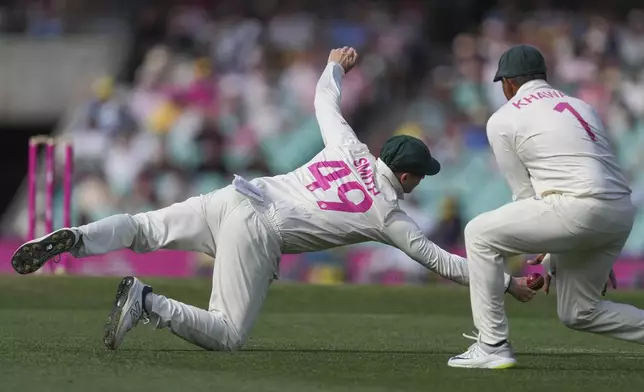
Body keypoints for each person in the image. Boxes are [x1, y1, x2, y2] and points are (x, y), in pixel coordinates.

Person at [12, 47, 535, 352]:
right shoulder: (388, 214)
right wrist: (508, 283)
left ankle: (78, 238)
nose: (420, 183)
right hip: (260, 230)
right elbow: (443, 262)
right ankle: (147, 302)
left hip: (237, 193)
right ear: (405, 174)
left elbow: (324, 98)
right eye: (419, 176)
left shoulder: (348, 144)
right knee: (228, 334)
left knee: (142, 227)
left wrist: (336, 65)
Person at [448, 45, 644, 370]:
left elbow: (525, 196)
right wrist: (586, 241)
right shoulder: (582, 106)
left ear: (507, 83)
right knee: (579, 312)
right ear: (543, 76)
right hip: (618, 210)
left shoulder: (503, 118)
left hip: (576, 209)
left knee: (478, 234)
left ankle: (492, 345)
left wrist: (556, 242)